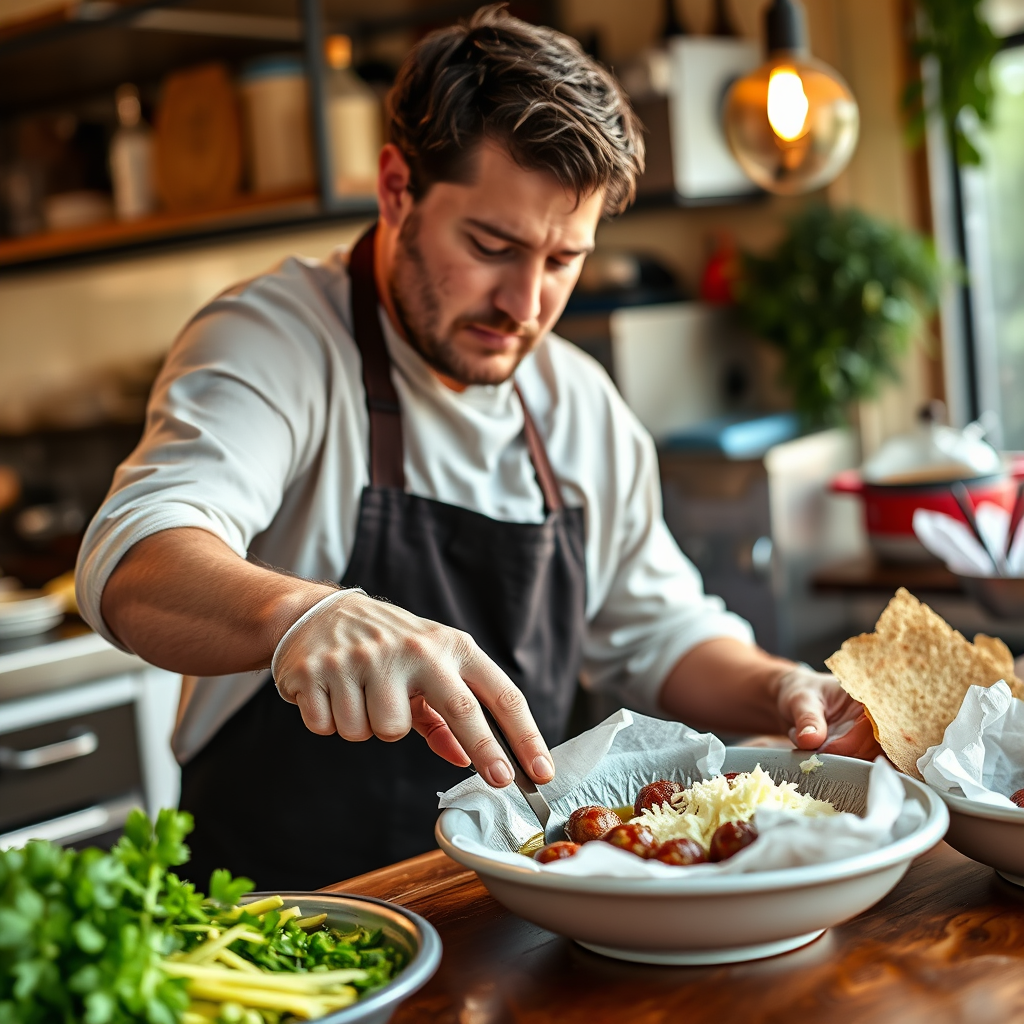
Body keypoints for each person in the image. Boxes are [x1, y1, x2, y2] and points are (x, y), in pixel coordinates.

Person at [76, 5, 879, 890]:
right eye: (492, 246)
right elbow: (134, 556)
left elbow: (654, 632)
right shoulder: (274, 341)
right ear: (395, 190)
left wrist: (781, 691)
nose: (526, 304)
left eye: (564, 259)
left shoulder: (578, 404)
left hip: (517, 909)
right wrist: (302, 616)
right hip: (297, 916)